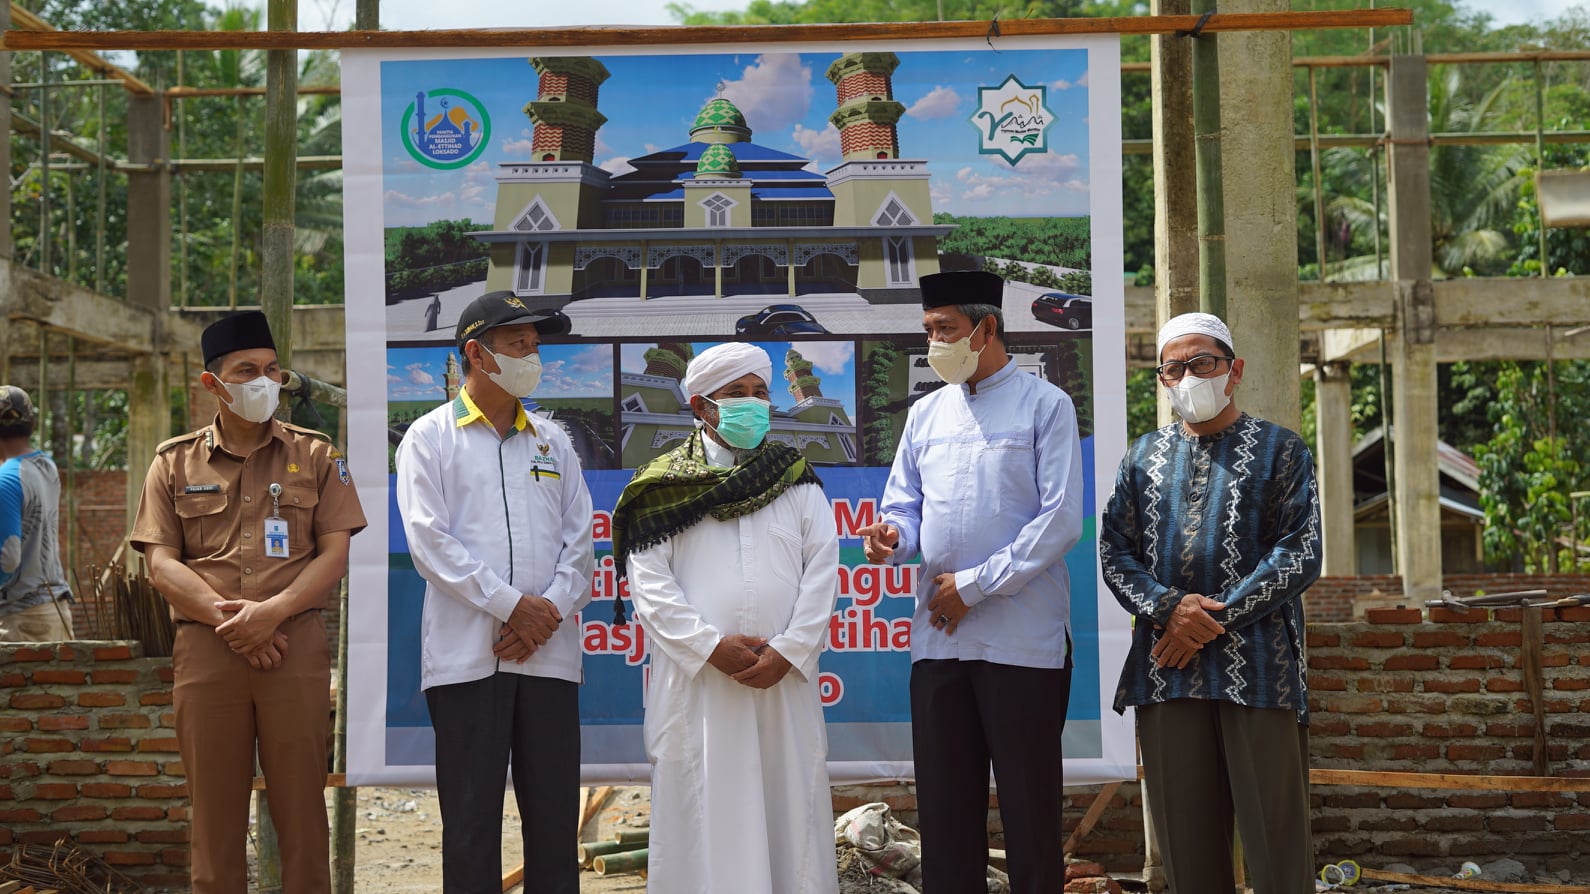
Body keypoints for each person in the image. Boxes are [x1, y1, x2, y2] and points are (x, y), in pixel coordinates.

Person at [858, 270, 1085, 892]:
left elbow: (1060, 519)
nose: (934, 342)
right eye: (929, 329)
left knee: (1029, 812)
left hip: (1021, 643)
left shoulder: (1046, 405)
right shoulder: (926, 412)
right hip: (939, 642)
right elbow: (903, 505)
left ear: (986, 328)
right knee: (945, 811)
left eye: (946, 329)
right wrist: (890, 537)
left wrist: (975, 587)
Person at [128, 311, 367, 894]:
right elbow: (159, 562)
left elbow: (334, 555)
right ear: (213, 383)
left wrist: (271, 614)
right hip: (208, 654)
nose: (263, 382)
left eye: (270, 370)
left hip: (295, 646)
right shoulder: (173, 462)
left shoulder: (316, 455)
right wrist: (233, 622)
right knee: (214, 816)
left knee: (302, 813)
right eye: (246, 371)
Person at [1100, 312, 1321, 893]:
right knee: (1187, 849)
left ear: (1234, 370)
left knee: (1278, 845)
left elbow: (1300, 551)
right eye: (1174, 367)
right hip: (1169, 672)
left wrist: (1206, 620)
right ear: (1163, 379)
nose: (1189, 375)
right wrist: (1170, 609)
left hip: (1260, 669)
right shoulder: (1140, 458)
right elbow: (1115, 553)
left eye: (1203, 362)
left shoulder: (1282, 450)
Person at [611, 342, 839, 894]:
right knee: (701, 815)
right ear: (700, 406)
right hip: (699, 687)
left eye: (760, 393)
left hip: (782, 681)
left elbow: (823, 569)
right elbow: (650, 585)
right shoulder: (659, 487)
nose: (753, 404)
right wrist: (710, 646)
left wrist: (789, 649)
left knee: (791, 815)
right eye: (737, 394)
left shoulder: (796, 478)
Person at [394, 290, 594, 894]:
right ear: (477, 354)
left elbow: (581, 545)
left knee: (556, 825)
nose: (533, 356)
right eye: (519, 345)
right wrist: (514, 608)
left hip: (550, 659)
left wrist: (549, 612)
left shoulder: (554, 442)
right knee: (471, 825)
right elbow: (429, 544)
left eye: (535, 346)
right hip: (467, 662)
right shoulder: (429, 439)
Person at [0, 385, 75, 641]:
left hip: (23, 619)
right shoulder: (46, 466)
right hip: (55, 608)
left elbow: (8, 558)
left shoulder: (6, 479)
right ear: (31, 423)